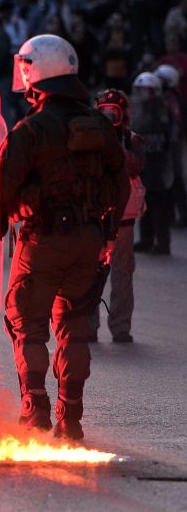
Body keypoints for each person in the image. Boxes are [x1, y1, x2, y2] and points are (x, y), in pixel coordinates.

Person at [1, 34, 129, 441]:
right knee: (74, 325)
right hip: (90, 240)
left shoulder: (31, 130)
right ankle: (70, 417)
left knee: (29, 324)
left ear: (34, 71)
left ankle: (34, 409)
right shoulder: (100, 126)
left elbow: (0, 190)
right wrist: (106, 234)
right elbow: (121, 185)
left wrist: (5, 221)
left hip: (43, 242)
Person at [92, 89, 145, 344]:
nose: (108, 118)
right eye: (103, 113)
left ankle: (121, 326)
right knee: (91, 272)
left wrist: (118, 147)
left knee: (123, 273)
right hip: (95, 215)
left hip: (123, 217)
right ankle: (88, 325)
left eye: (114, 112)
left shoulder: (132, 140)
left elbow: (137, 165)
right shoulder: (89, 139)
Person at [131, 72, 176, 255]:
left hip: (158, 163)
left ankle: (162, 242)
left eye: (146, 91)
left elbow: (165, 138)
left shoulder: (162, 111)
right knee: (145, 202)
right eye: (140, 90)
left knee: (158, 204)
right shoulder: (142, 110)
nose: (142, 94)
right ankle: (147, 239)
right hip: (146, 162)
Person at [153, 64, 187, 228]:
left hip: (172, 143)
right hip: (169, 141)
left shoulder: (171, 99)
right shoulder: (166, 97)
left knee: (174, 177)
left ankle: (182, 214)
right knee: (168, 177)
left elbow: (175, 124)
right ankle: (171, 214)